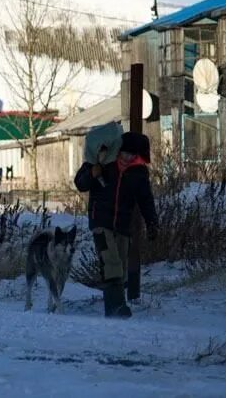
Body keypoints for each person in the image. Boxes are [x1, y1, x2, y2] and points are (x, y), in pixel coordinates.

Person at [75, 131, 158, 319]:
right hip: (100, 222)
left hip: (123, 225)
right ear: (118, 151)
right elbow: (80, 183)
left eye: (132, 155)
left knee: (119, 269)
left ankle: (111, 311)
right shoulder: (102, 162)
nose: (127, 158)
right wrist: (91, 173)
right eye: (124, 153)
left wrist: (152, 222)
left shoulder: (139, 172)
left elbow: (146, 200)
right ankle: (118, 308)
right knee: (111, 262)